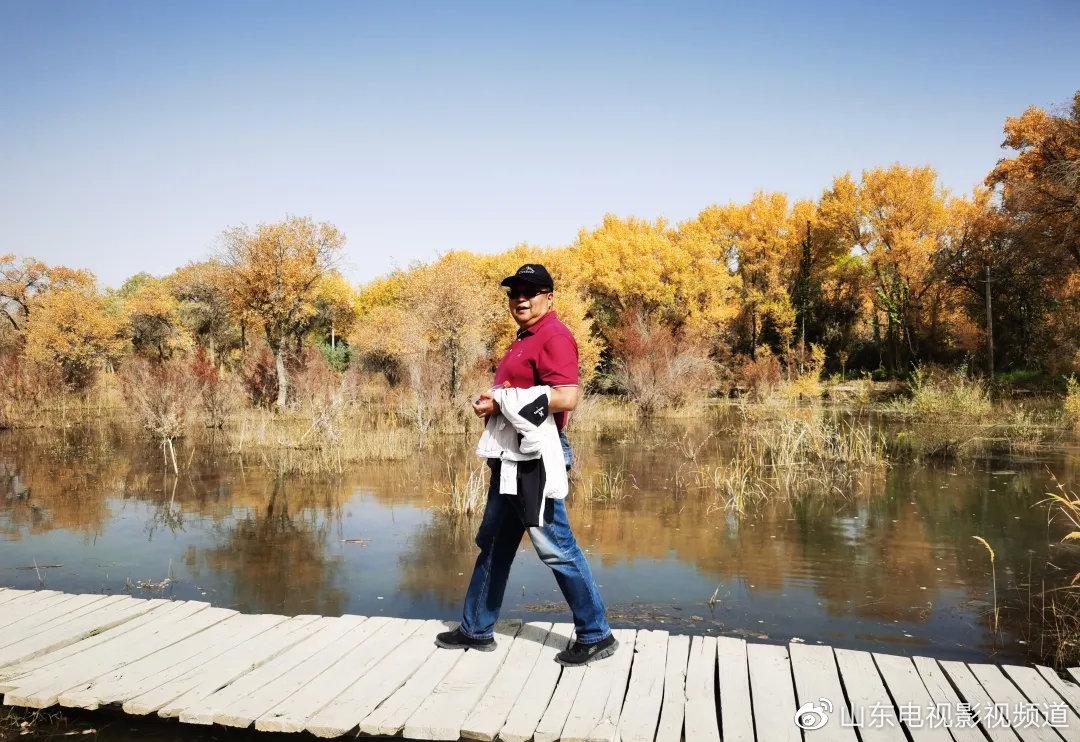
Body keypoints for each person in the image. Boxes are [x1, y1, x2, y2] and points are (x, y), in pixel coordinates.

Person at [435, 263, 617, 666]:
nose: (520, 298)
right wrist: (492, 401)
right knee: (495, 544)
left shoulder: (554, 336)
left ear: (549, 297)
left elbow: (567, 397)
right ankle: (476, 628)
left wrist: (502, 401)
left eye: (530, 291)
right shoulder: (523, 339)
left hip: (536, 461)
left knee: (556, 548)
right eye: (514, 292)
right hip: (510, 458)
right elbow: (521, 393)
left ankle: (595, 633)